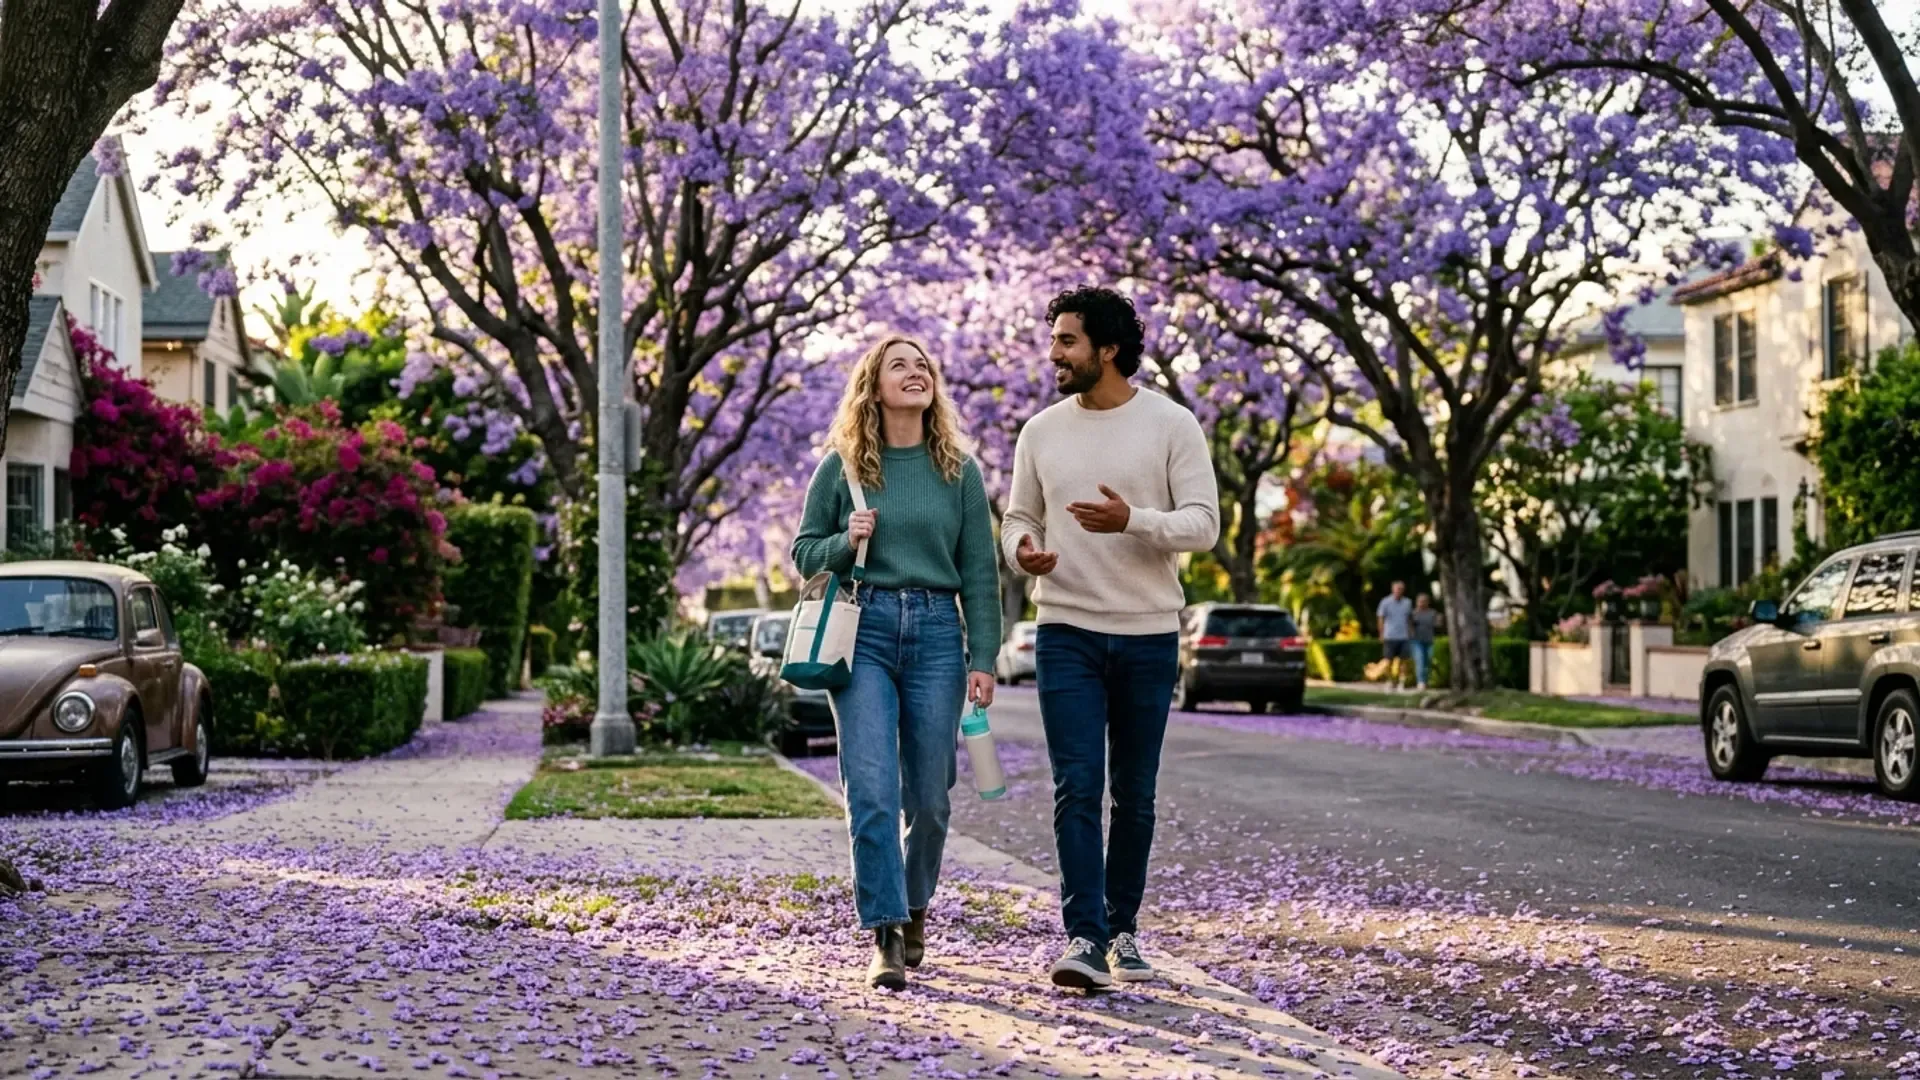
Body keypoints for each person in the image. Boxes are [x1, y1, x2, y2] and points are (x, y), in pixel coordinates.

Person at [1001, 286, 1220, 989]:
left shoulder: (1171, 424)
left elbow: (1202, 526)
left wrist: (1133, 521)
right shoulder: (1040, 431)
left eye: (1067, 341)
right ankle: (1084, 937)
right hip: (1065, 628)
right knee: (1076, 786)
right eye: (1055, 340)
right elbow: (1016, 518)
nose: (1054, 353)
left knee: (1135, 794)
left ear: (1109, 349)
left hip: (1148, 634)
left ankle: (1123, 928)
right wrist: (1023, 550)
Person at [790, 334, 1002, 991]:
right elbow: (802, 554)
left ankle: (914, 909)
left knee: (931, 799)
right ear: (873, 387)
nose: (915, 374)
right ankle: (884, 932)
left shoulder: (959, 472)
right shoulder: (843, 467)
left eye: (922, 366)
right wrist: (840, 542)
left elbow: (980, 575)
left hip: (940, 633)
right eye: (898, 366)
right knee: (873, 787)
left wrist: (985, 656)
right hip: (866, 629)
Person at [1376, 581, 1413, 690]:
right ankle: (1390, 681)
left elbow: (1409, 618)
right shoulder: (1385, 602)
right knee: (1388, 661)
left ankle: (1402, 682)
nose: (1399, 591)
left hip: (1404, 636)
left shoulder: (1407, 602)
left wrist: (1411, 632)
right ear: (1393, 589)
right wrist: (1381, 633)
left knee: (1404, 661)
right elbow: (1380, 618)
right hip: (1390, 635)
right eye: (1397, 588)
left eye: (1401, 589)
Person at [1410, 593, 1439, 691]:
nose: (1421, 603)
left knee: (1428, 661)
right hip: (1417, 640)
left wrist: (1439, 621)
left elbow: (1437, 625)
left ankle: (1426, 681)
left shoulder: (1432, 613)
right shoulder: (1413, 613)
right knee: (1420, 660)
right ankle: (1420, 682)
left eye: (1424, 601)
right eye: (1420, 601)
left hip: (1429, 640)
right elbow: (1409, 626)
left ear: (1428, 602)